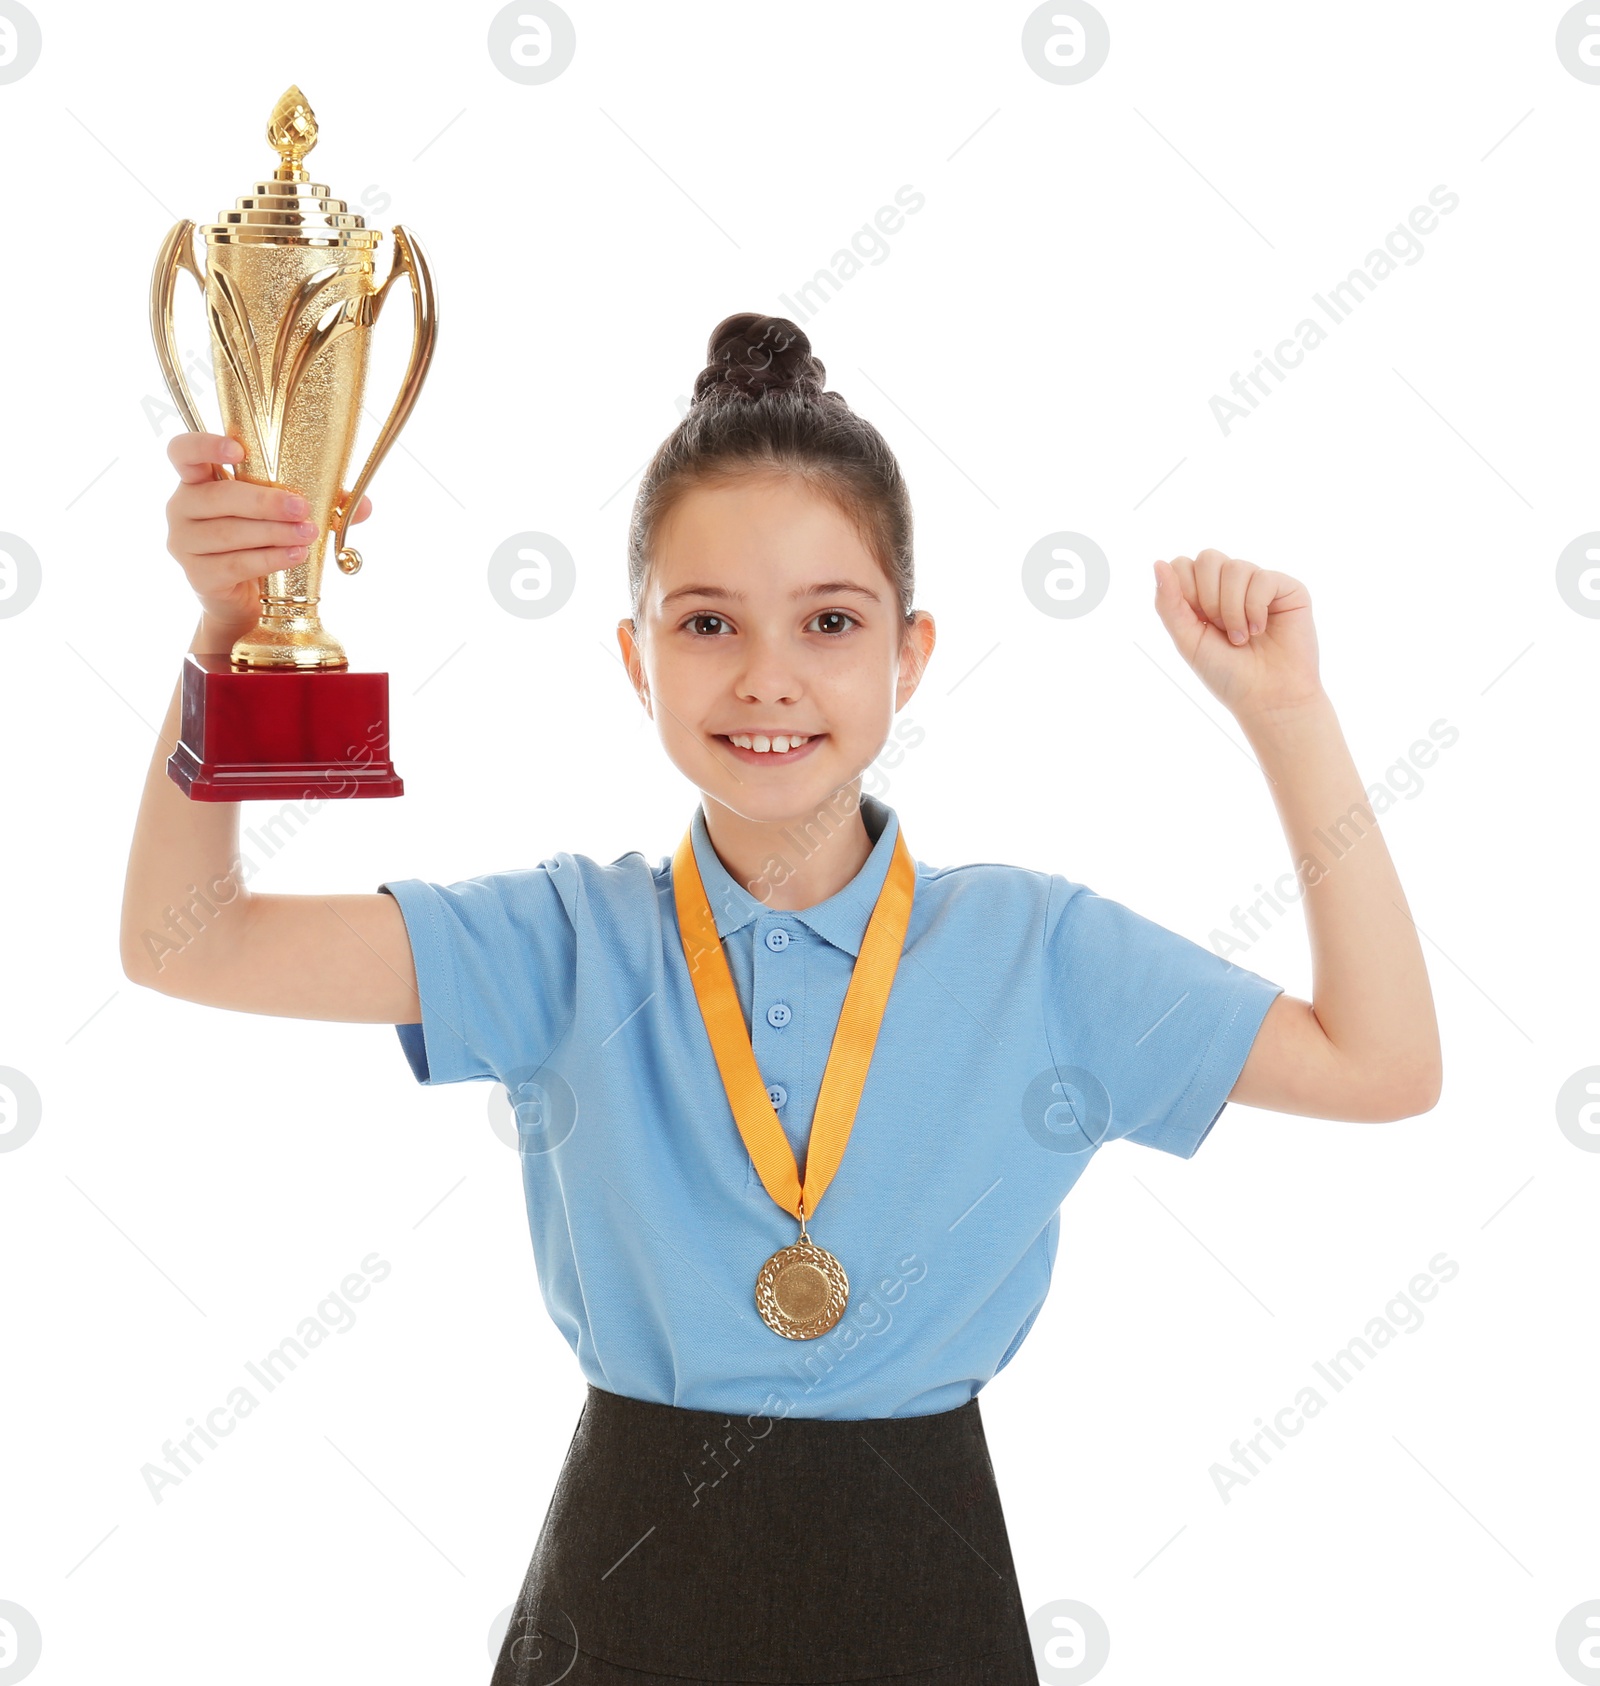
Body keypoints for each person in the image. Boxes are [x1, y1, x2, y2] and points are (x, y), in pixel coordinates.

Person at [121, 312, 1442, 1684]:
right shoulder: (565, 938)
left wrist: (1289, 716)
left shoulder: (1038, 951)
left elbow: (1384, 1061)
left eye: (828, 621)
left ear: (909, 654)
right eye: (706, 622)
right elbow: (186, 942)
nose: (767, 675)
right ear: (635, 658)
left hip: (923, 1589)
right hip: (622, 1597)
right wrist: (231, 630)